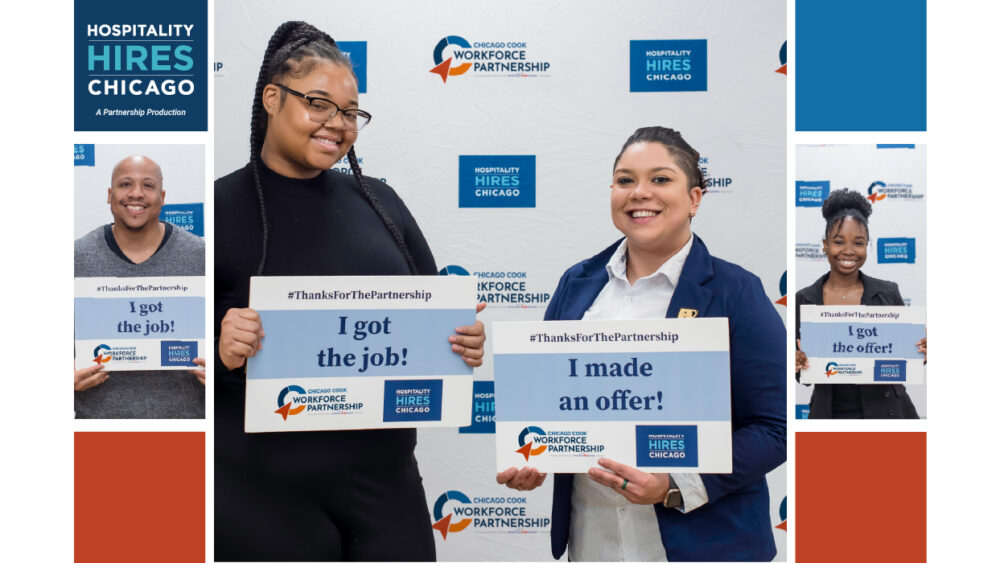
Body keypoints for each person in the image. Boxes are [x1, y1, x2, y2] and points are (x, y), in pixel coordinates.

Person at [213, 21, 485, 562]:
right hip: (258, 492)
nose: (336, 124)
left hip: (384, 487)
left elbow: (430, 317)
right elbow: (168, 355)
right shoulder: (218, 210)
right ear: (272, 98)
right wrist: (219, 344)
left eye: (350, 112)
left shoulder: (379, 202)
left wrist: (460, 342)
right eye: (318, 104)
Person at [497, 127, 785, 561]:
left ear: (695, 199)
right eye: (625, 180)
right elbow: (548, 408)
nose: (639, 193)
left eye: (661, 179)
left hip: (708, 543)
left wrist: (674, 484)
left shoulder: (735, 291)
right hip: (595, 539)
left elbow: (773, 428)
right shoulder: (576, 284)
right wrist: (532, 456)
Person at [74, 154, 206, 418]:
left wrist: (219, 364)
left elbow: (223, 341)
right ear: (109, 195)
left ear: (162, 196)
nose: (136, 194)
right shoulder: (76, 258)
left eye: (148, 185)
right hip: (98, 429)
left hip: (184, 427)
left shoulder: (201, 256)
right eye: (125, 185)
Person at [794, 188, 926, 419]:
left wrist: (920, 352)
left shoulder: (888, 293)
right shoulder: (805, 299)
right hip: (830, 417)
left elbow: (905, 361)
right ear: (825, 245)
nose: (848, 251)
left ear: (867, 246)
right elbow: (802, 375)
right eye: (838, 241)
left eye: (858, 242)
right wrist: (797, 363)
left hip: (889, 415)